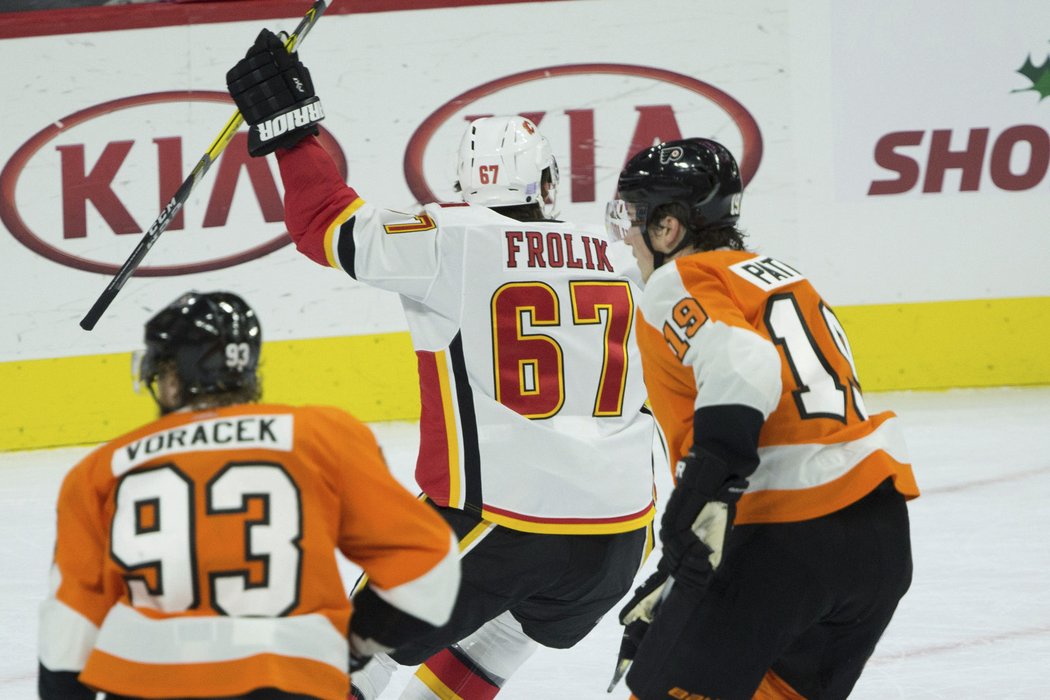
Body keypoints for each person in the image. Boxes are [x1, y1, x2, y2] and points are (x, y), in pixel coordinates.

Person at [225, 30, 657, 699]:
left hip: (505, 519)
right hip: (622, 534)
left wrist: (291, 130)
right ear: (546, 183)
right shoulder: (619, 256)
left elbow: (322, 221)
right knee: (497, 644)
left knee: (345, 657)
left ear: (465, 187)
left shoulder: (448, 239)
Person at [605, 138, 920, 700]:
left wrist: (697, 502)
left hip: (784, 538)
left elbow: (747, 365)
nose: (627, 234)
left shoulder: (679, 281)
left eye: (635, 216)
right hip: (880, 539)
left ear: (670, 228)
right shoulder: (780, 275)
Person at [37, 291, 460, 700]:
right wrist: (355, 641)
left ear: (170, 376)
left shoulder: (100, 469)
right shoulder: (320, 436)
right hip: (290, 681)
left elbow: (68, 628)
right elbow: (426, 565)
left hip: (145, 685)